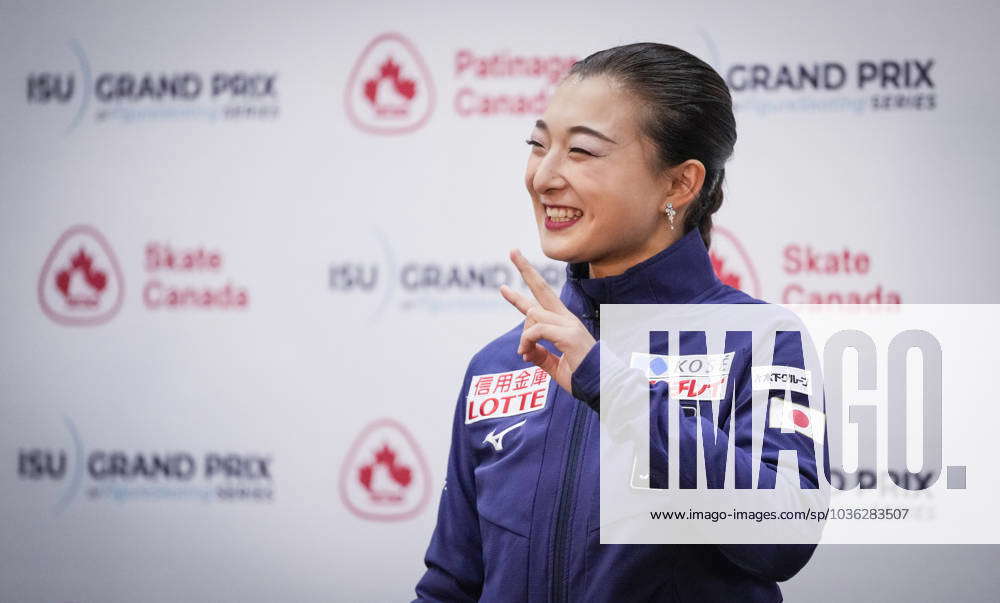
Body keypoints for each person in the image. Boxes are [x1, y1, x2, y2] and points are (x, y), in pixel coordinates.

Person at [414, 42, 828, 602]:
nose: (544, 177)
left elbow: (784, 536)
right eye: (538, 145)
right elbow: (451, 584)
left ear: (679, 185)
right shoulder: (498, 362)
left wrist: (610, 385)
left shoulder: (761, 340)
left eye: (582, 151)